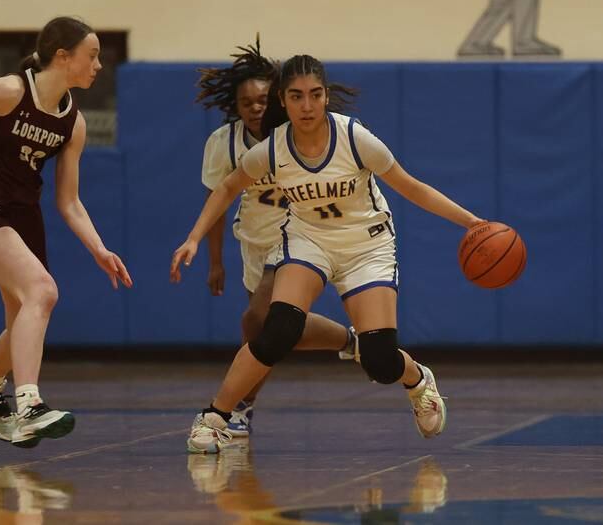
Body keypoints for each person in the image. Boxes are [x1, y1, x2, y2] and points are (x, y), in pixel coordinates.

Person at [171, 54, 487, 454]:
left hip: (365, 245)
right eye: (297, 96)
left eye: (315, 95)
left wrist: (472, 221)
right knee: (277, 329)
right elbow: (227, 187)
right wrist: (194, 238)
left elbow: (413, 187)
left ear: (325, 97)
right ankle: (214, 417)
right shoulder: (272, 150)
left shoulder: (355, 138)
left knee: (379, 361)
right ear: (282, 101)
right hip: (309, 240)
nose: (307, 105)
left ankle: (417, 380)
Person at [0, 16, 133, 448]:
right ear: (62, 56)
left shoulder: (74, 122)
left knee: (22, 325)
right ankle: (29, 404)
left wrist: (99, 249)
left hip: (23, 215)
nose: (98, 65)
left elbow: (68, 202)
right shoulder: (10, 90)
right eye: (92, 56)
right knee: (43, 291)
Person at [194, 38, 359, 437]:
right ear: (235, 106)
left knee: (255, 319)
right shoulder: (224, 144)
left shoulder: (299, 134)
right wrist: (215, 260)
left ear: (279, 99)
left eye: (263, 100)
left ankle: (233, 408)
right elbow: (217, 201)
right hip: (254, 242)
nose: (255, 108)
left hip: (298, 239)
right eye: (246, 102)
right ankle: (352, 342)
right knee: (267, 331)